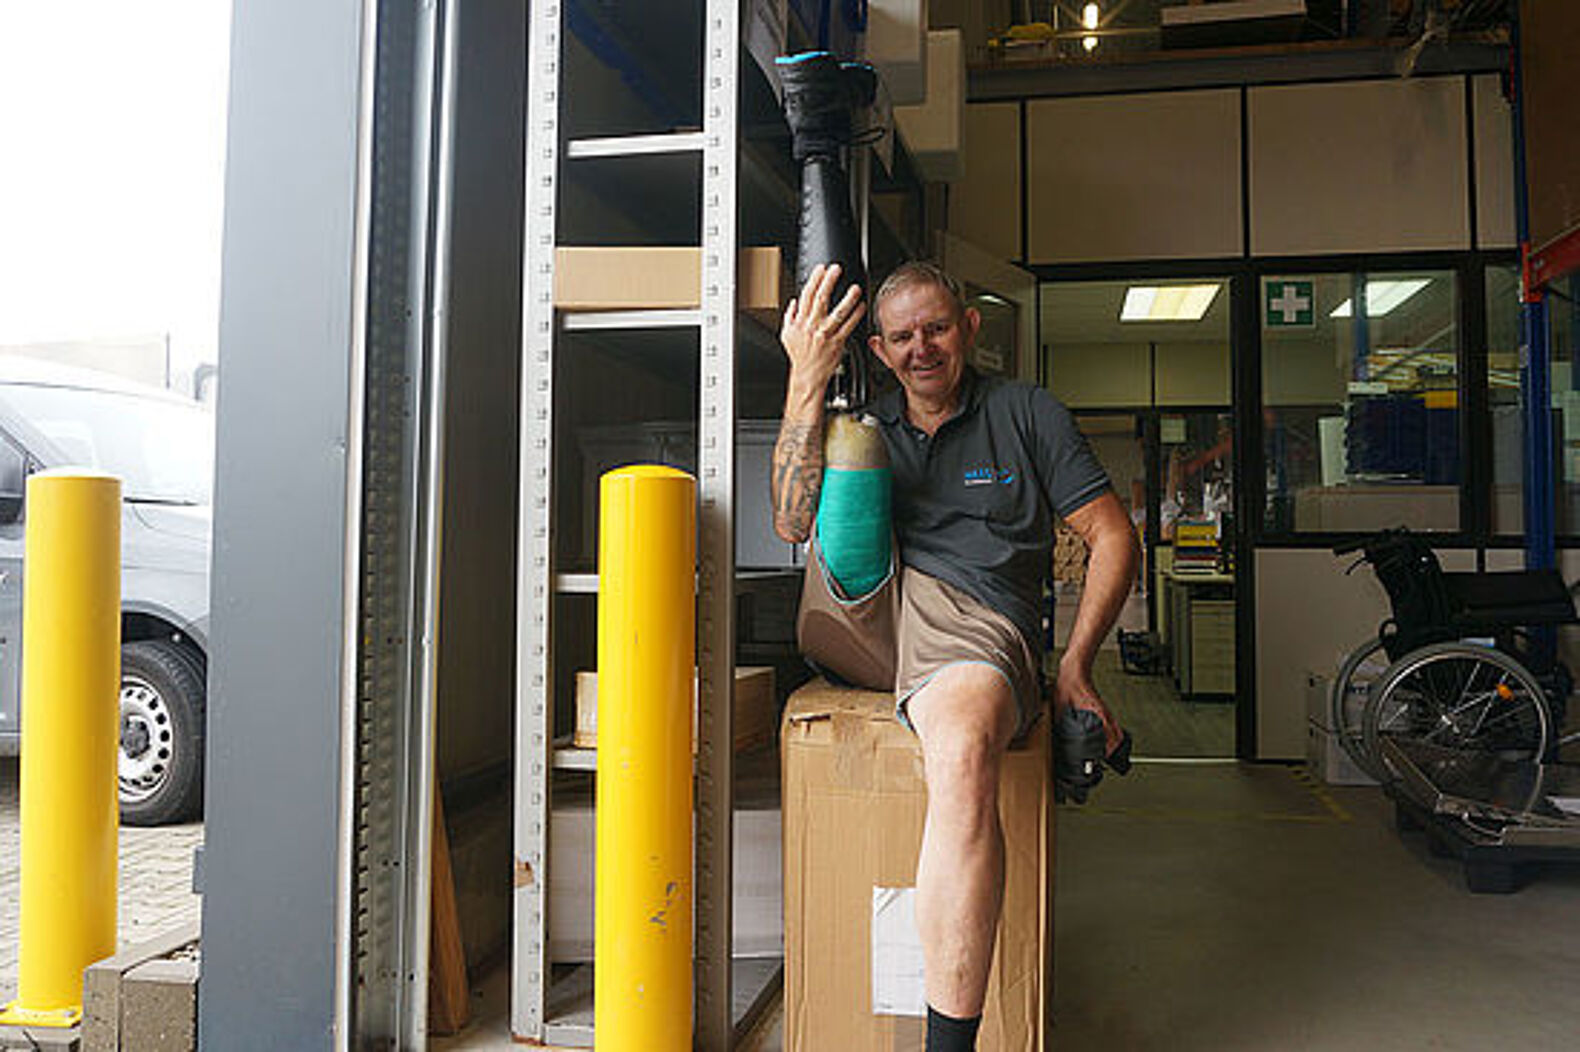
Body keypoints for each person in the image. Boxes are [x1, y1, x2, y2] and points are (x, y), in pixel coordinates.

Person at [771, 260, 1139, 1052]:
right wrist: (807, 376)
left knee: (965, 747)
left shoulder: (1026, 412)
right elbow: (792, 524)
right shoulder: (862, 416)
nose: (921, 349)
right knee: (847, 466)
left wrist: (1075, 666)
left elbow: (1112, 536)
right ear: (878, 348)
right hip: (861, 610)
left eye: (937, 328)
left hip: (970, 620)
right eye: (901, 337)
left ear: (970, 328)